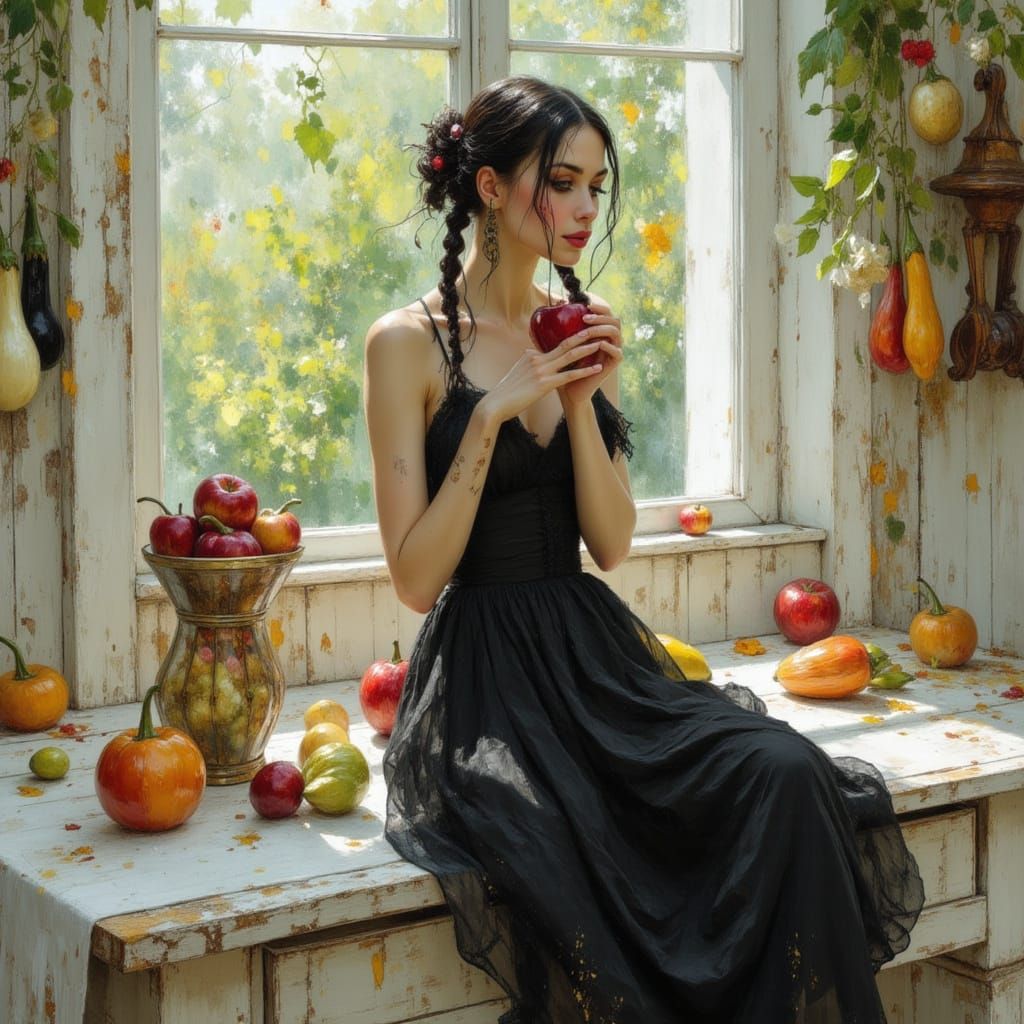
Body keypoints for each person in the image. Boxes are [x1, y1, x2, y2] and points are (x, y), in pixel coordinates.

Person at [363, 75, 923, 1024]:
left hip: (591, 654)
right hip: (487, 680)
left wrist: (580, 397)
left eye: (596, 186)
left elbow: (612, 545)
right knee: (569, 841)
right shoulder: (406, 345)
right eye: (564, 183)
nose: (587, 209)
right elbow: (416, 582)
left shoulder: (575, 323)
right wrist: (492, 419)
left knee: (780, 771)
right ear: (491, 187)